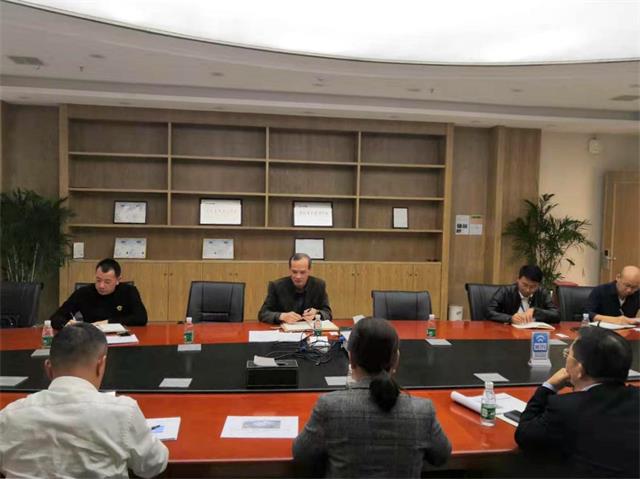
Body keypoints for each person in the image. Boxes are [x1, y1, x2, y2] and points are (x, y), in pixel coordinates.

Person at [0, 323, 168, 478]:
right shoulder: (123, 412)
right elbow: (154, 464)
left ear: (48, 368)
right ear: (101, 365)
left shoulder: (9, 416)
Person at [292, 317, 451, 477]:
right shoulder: (422, 411)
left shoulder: (329, 406)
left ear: (351, 358)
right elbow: (441, 457)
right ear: (396, 360)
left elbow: (302, 455)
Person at [515, 326, 639, 478]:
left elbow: (525, 435)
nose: (566, 359)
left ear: (580, 370)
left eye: (568, 354)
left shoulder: (566, 408)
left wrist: (548, 387)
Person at [50, 258, 148, 329]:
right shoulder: (83, 293)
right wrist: (66, 324)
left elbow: (141, 318)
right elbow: (56, 318)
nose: (101, 286)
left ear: (118, 280)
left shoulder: (128, 291)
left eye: (107, 282)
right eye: (98, 280)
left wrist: (107, 322)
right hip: (92, 340)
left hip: (121, 338)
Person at [258, 253, 332, 324]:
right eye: (294, 272)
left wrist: (317, 313)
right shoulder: (276, 286)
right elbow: (263, 314)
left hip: (310, 329)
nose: (298, 276)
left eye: (302, 272)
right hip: (285, 329)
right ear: (289, 270)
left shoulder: (319, 285)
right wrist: (281, 316)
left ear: (309, 270)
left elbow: (328, 313)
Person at [486, 264, 559, 324]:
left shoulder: (542, 293)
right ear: (518, 279)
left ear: (538, 285)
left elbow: (556, 315)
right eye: (525, 285)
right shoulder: (505, 291)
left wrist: (536, 311)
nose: (528, 290)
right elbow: (489, 312)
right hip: (509, 332)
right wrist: (510, 318)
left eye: (533, 287)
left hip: (533, 333)